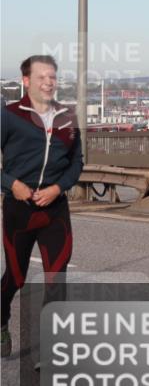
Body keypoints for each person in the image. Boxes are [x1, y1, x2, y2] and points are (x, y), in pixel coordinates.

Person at [1, 55, 83, 358]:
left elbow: (77, 162)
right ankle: (0, 319)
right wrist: (13, 185)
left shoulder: (67, 116)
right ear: (26, 81)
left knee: (56, 279)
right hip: (19, 210)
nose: (49, 82)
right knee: (16, 277)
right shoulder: (8, 116)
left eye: (52, 76)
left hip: (55, 210)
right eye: (41, 77)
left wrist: (58, 188)